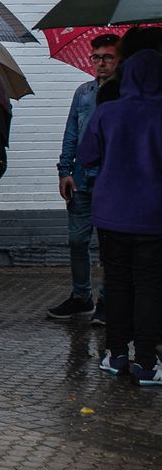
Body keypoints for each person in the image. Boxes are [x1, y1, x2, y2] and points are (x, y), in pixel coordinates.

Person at [77, 48, 162, 386]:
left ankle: (115, 355)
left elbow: (86, 156)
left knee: (118, 284)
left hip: (110, 214)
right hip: (153, 217)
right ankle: (147, 362)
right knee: (149, 287)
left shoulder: (107, 112)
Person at [45, 33, 119, 323]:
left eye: (108, 57)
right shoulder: (83, 92)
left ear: (119, 59)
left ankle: (107, 301)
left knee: (109, 244)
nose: (100, 63)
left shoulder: (124, 94)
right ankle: (81, 297)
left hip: (110, 181)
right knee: (77, 241)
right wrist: (64, 171)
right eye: (96, 57)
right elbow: (71, 134)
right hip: (81, 179)